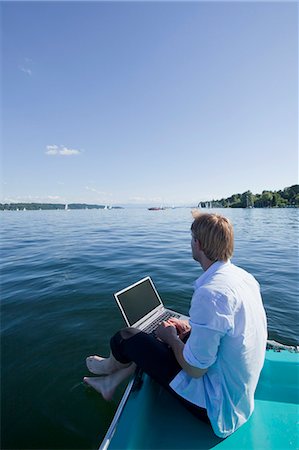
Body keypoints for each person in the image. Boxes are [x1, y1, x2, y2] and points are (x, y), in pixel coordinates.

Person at [84, 212, 267, 438]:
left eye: (192, 239)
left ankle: (107, 368)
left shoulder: (211, 293)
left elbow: (196, 370)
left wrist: (171, 338)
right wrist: (189, 330)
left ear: (198, 244)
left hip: (215, 406)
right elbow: (224, 331)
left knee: (127, 336)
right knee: (158, 337)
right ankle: (111, 382)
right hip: (239, 397)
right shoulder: (245, 278)